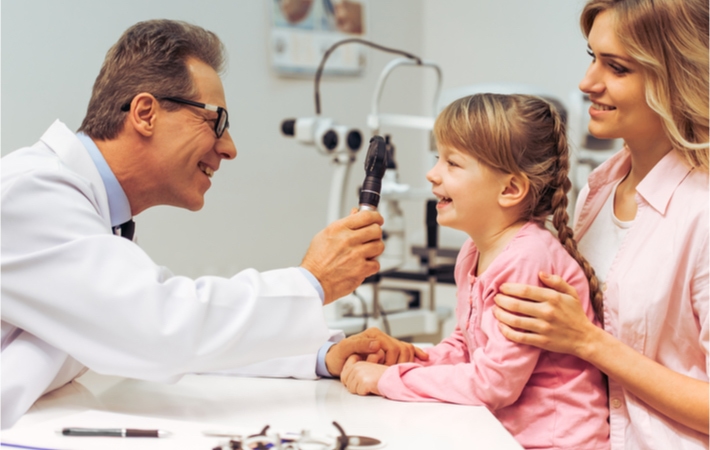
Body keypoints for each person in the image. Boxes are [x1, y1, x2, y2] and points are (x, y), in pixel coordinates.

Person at [0, 19, 425, 429]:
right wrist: (312, 281)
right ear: (145, 113)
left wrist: (318, 356)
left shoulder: (85, 211)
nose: (230, 148)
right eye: (215, 121)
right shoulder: (30, 194)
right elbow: (157, 330)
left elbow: (157, 332)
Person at [491, 1, 709, 449]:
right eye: (592, 58)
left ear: (681, 77)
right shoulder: (601, 187)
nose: (587, 83)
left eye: (618, 68)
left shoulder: (701, 213)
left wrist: (588, 342)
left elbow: (584, 339)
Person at [340, 93, 609, 449]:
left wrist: (388, 379)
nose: (432, 173)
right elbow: (468, 347)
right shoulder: (474, 252)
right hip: (502, 433)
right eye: (439, 158)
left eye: (452, 163)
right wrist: (415, 357)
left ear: (510, 189)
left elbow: (493, 384)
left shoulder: (528, 259)